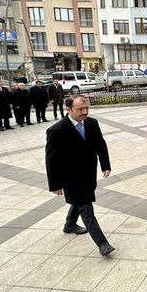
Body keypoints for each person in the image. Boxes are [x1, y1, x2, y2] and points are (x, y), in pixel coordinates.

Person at [45, 95, 115, 257]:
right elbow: (51, 160)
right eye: (80, 109)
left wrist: (105, 164)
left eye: (86, 108)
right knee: (86, 207)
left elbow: (100, 144)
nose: (85, 112)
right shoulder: (57, 130)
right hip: (70, 178)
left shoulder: (92, 123)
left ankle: (69, 225)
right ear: (68, 110)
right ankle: (103, 244)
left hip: (89, 174)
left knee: (80, 201)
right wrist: (54, 184)